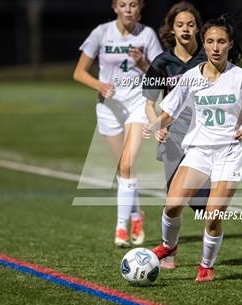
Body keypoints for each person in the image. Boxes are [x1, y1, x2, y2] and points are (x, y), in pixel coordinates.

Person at [149, 14, 242, 282]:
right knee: (172, 205)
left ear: (229, 44)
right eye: (210, 41)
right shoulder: (191, 77)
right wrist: (157, 124)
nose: (215, 47)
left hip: (230, 152)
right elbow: (170, 110)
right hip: (199, 150)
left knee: (212, 217)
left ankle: (206, 266)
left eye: (221, 42)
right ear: (203, 42)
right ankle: (169, 246)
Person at [73, 0, 163, 247]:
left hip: (137, 106)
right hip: (109, 108)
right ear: (114, 8)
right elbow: (79, 72)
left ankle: (121, 229)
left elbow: (160, 74)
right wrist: (100, 85)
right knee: (124, 169)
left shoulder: (147, 35)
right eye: (123, 4)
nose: (128, 9)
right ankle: (136, 214)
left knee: (127, 163)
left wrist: (144, 63)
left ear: (140, 9)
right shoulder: (101, 33)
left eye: (133, 5)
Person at [142, 1, 208, 270]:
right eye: (180, 25)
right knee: (173, 199)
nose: (185, 29)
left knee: (203, 203)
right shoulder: (162, 62)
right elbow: (149, 101)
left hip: (204, 136)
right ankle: (169, 251)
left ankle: (207, 258)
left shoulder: (207, 59)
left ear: (197, 29)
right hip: (172, 136)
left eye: (190, 24)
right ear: (171, 29)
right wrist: (158, 125)